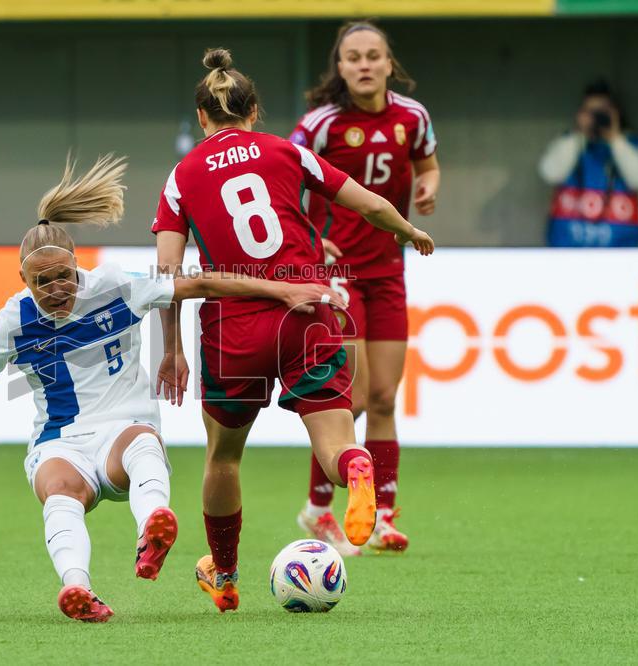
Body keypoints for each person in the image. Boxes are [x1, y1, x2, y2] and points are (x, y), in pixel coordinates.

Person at [0, 154, 346, 623]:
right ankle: (77, 587)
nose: (57, 287)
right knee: (58, 492)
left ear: (78, 263)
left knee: (142, 444)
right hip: (59, 440)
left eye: (64, 275)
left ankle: (152, 532)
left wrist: (280, 290)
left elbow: (197, 282)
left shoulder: (116, 286)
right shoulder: (13, 321)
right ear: (22, 280)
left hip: (124, 427)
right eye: (43, 281)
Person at [152, 48, 434, 613]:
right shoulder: (289, 153)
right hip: (308, 313)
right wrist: (409, 230)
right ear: (254, 111)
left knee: (224, 459)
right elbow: (368, 203)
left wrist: (173, 349)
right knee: (335, 441)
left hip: (232, 329)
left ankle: (225, 576)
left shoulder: (182, 177)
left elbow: (167, 277)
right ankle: (357, 470)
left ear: (202, 118)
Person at [287, 21, 441, 557]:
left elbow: (429, 164)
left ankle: (382, 514)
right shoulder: (320, 124)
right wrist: (308, 241)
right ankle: (319, 509)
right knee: (347, 398)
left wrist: (427, 187)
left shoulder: (412, 117)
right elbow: (285, 179)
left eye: (373, 56)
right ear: (341, 66)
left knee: (383, 396)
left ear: (388, 63)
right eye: (353, 58)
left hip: (389, 274)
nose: (364, 65)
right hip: (337, 274)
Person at [539, 79, 638, 247]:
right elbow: (549, 173)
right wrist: (579, 134)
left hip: (621, 255)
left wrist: (615, 139)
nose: (595, 118)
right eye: (589, 112)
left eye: (601, 112)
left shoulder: (637, 145)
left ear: (615, 113)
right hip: (567, 254)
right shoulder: (569, 142)